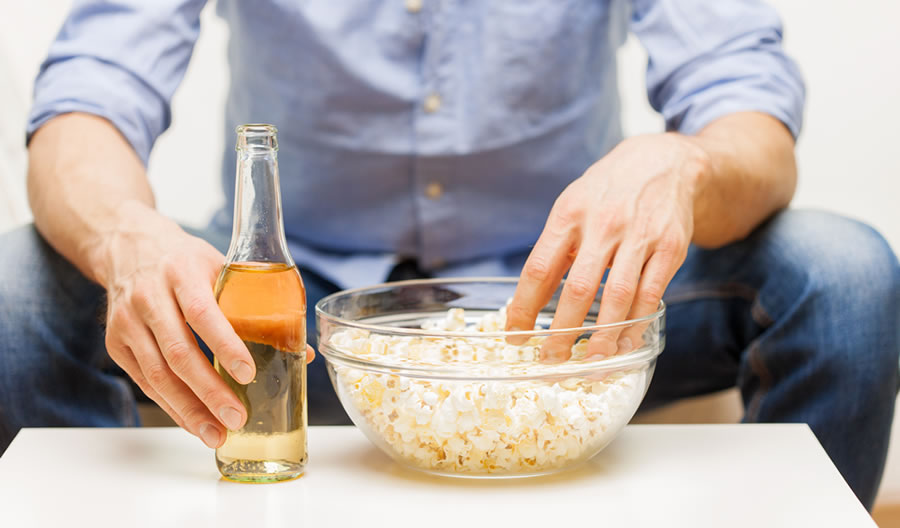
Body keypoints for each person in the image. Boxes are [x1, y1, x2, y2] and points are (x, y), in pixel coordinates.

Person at [1, 0, 897, 509]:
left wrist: (685, 160)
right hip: (298, 327)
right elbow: (92, 93)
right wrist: (124, 233)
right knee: (20, 289)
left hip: (566, 323)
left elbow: (750, 113)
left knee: (844, 271)